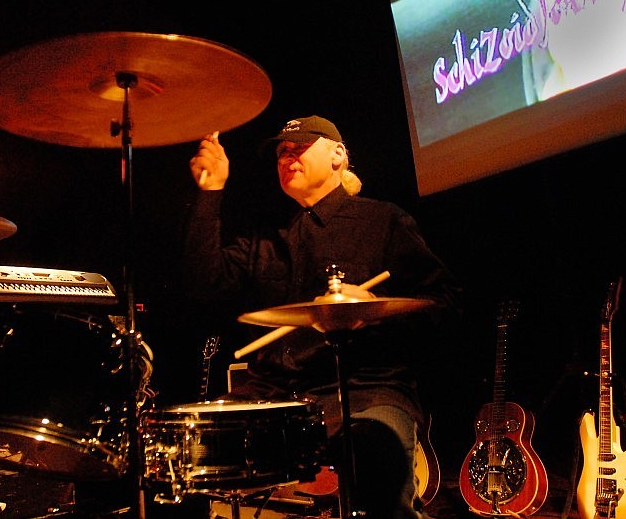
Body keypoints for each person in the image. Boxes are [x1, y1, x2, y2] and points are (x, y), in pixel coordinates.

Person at [181, 115, 462, 518]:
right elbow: (202, 284)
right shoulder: (266, 234)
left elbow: (446, 303)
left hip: (367, 390)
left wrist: (374, 309)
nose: (287, 156)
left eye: (299, 146)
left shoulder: (383, 220)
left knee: (376, 457)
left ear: (337, 155)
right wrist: (211, 193)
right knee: (197, 448)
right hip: (276, 394)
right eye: (281, 152)